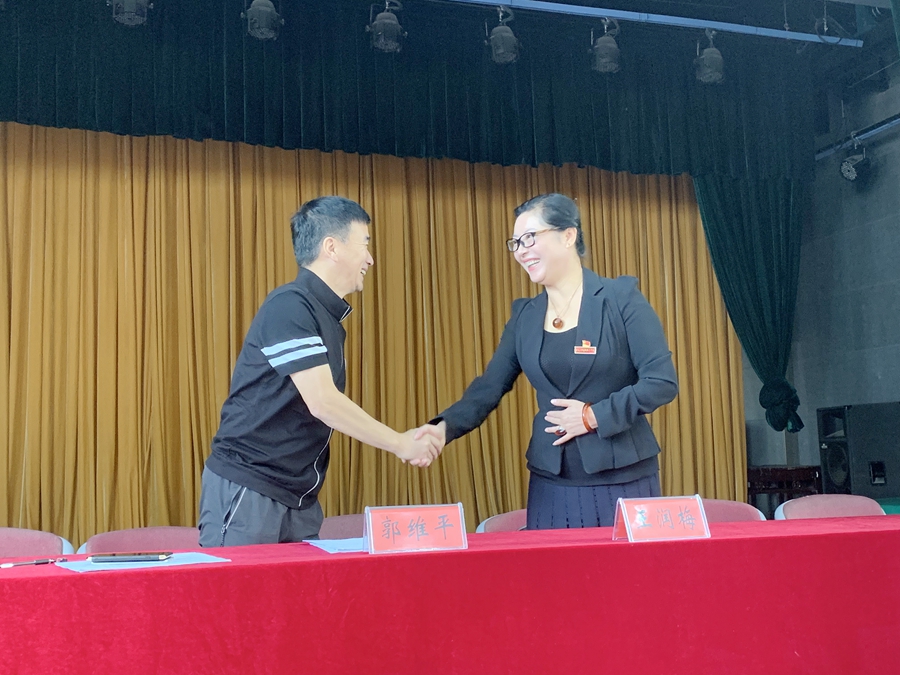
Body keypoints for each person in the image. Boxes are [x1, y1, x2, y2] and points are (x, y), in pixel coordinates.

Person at [424, 193, 678, 529]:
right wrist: (440, 429)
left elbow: (661, 382)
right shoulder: (525, 316)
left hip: (623, 477)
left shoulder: (620, 299)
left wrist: (592, 416)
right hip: (551, 482)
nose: (521, 250)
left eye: (530, 237)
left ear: (568, 235)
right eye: (516, 243)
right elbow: (488, 388)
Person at [199, 196, 442, 547]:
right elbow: (323, 402)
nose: (370, 259)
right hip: (252, 488)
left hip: (299, 499)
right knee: (240, 586)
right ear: (332, 247)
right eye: (364, 245)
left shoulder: (324, 316)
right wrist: (399, 443)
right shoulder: (290, 305)